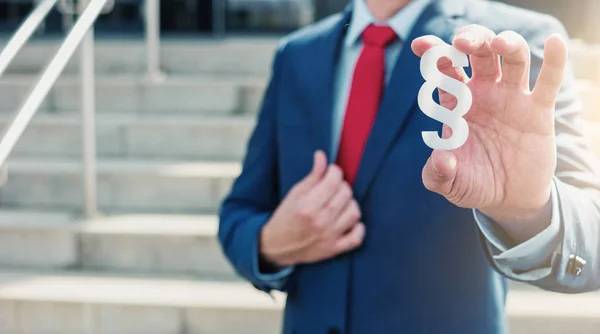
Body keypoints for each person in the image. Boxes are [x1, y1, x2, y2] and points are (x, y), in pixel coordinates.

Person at [218, 0, 600, 333]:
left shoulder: (514, 42)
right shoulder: (297, 55)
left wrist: (528, 208)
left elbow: (591, 241)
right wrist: (270, 243)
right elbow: (239, 210)